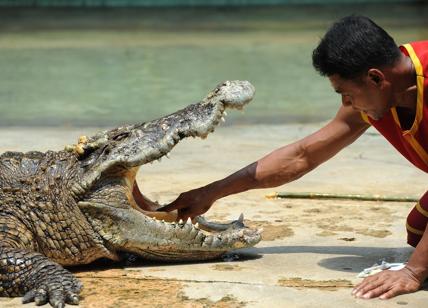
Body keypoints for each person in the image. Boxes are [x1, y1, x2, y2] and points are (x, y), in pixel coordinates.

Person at [159, 15, 428, 299]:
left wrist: (413, 271)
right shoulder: (383, 89)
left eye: (346, 93)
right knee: (418, 228)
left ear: (376, 78)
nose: (346, 103)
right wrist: (210, 192)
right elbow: (302, 156)